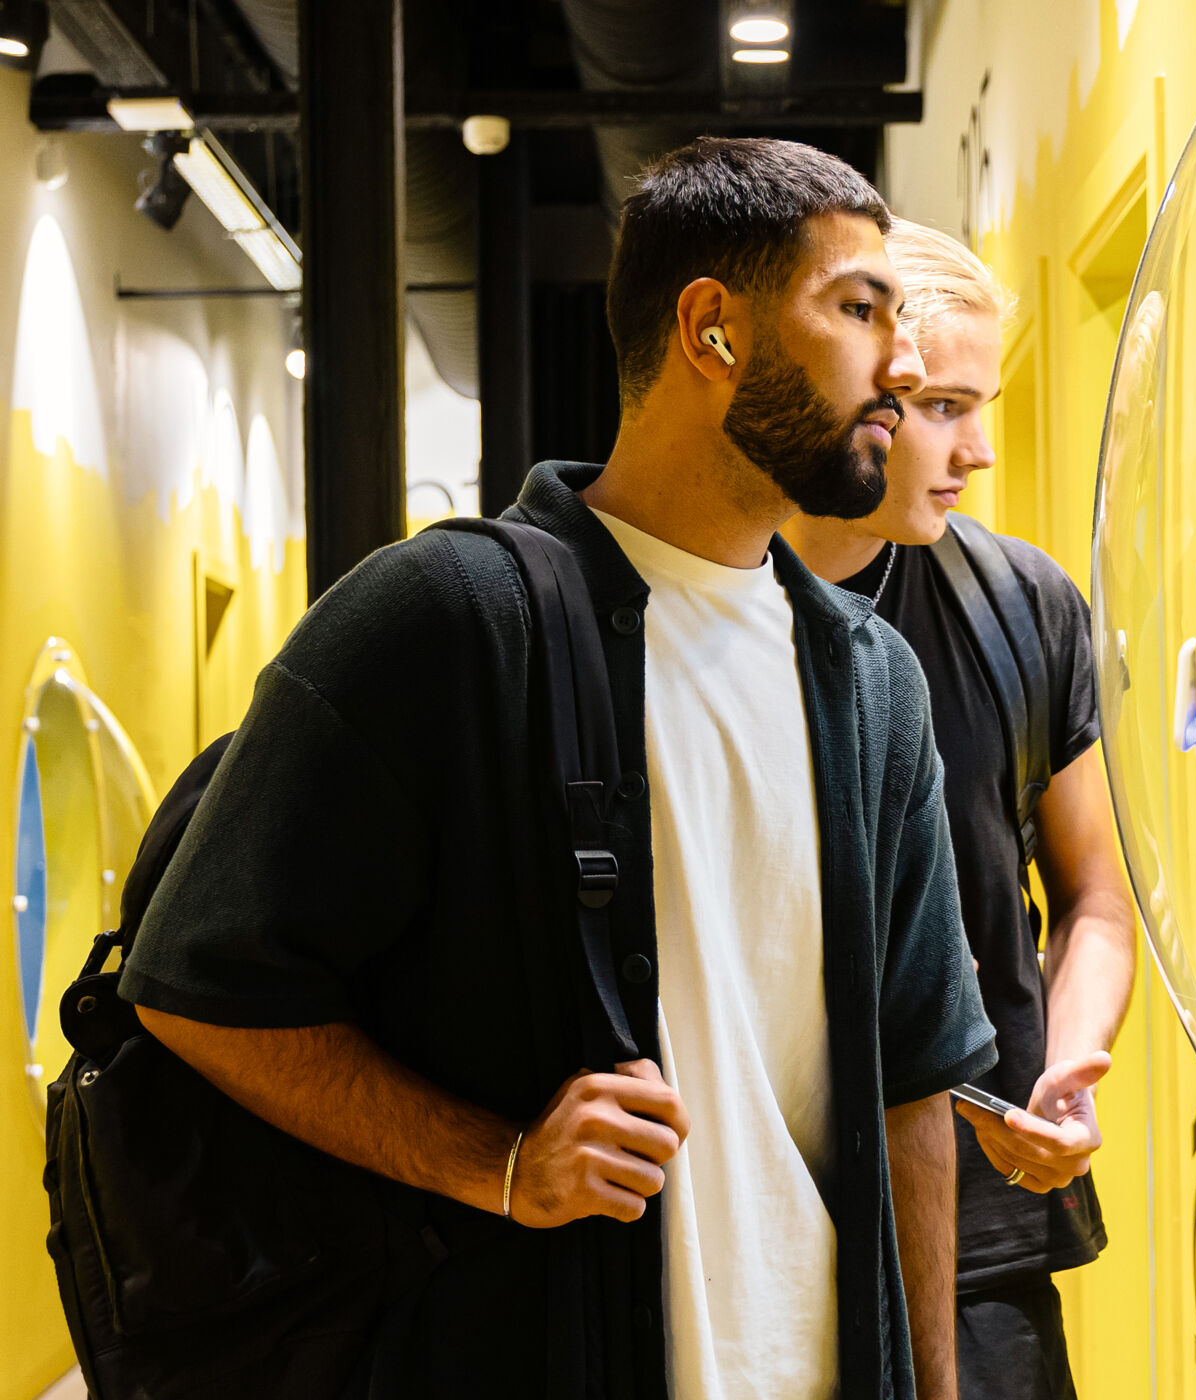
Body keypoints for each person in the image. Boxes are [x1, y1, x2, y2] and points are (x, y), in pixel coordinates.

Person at [120, 140, 997, 1399]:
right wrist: (499, 1160)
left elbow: (914, 1083)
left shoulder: (871, 683)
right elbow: (197, 986)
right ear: (712, 330)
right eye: (858, 307)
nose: (901, 365)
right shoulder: (449, 618)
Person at [783, 218, 1137, 1400]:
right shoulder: (710, 611)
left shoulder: (1018, 602)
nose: (976, 448)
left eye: (981, 404)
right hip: (762, 1211)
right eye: (942, 405)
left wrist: (1070, 1066)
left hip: (981, 1235)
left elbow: (1093, 896)